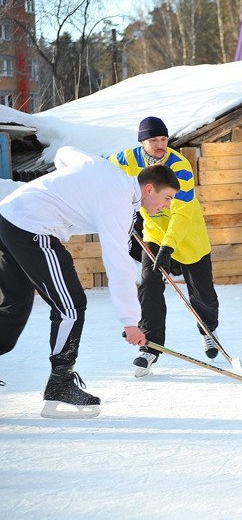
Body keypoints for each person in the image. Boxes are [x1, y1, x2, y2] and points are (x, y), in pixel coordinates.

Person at [0, 146, 179, 418]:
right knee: (70, 306)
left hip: (9, 217)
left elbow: (65, 153)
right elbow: (117, 262)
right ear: (149, 189)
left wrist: (78, 186)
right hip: (31, 225)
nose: (167, 205)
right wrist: (130, 321)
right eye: (167, 198)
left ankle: (58, 386)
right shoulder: (117, 200)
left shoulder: (107, 171)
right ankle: (60, 386)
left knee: (17, 304)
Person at [109, 116, 222, 377]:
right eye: (153, 140)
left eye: (164, 139)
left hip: (188, 235)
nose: (160, 145)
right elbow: (104, 174)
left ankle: (208, 329)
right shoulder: (127, 160)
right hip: (154, 233)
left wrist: (168, 247)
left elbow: (182, 213)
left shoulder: (180, 167)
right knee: (149, 283)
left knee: (202, 294)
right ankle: (150, 346)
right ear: (142, 142)